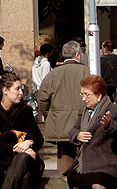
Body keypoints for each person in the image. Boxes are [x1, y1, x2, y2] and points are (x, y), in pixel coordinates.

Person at [36, 40, 90, 173]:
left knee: (64, 158)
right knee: (85, 157)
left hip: (60, 123)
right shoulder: (86, 71)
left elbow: (42, 98)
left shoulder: (53, 73)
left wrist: (49, 115)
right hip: (83, 121)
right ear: (77, 55)